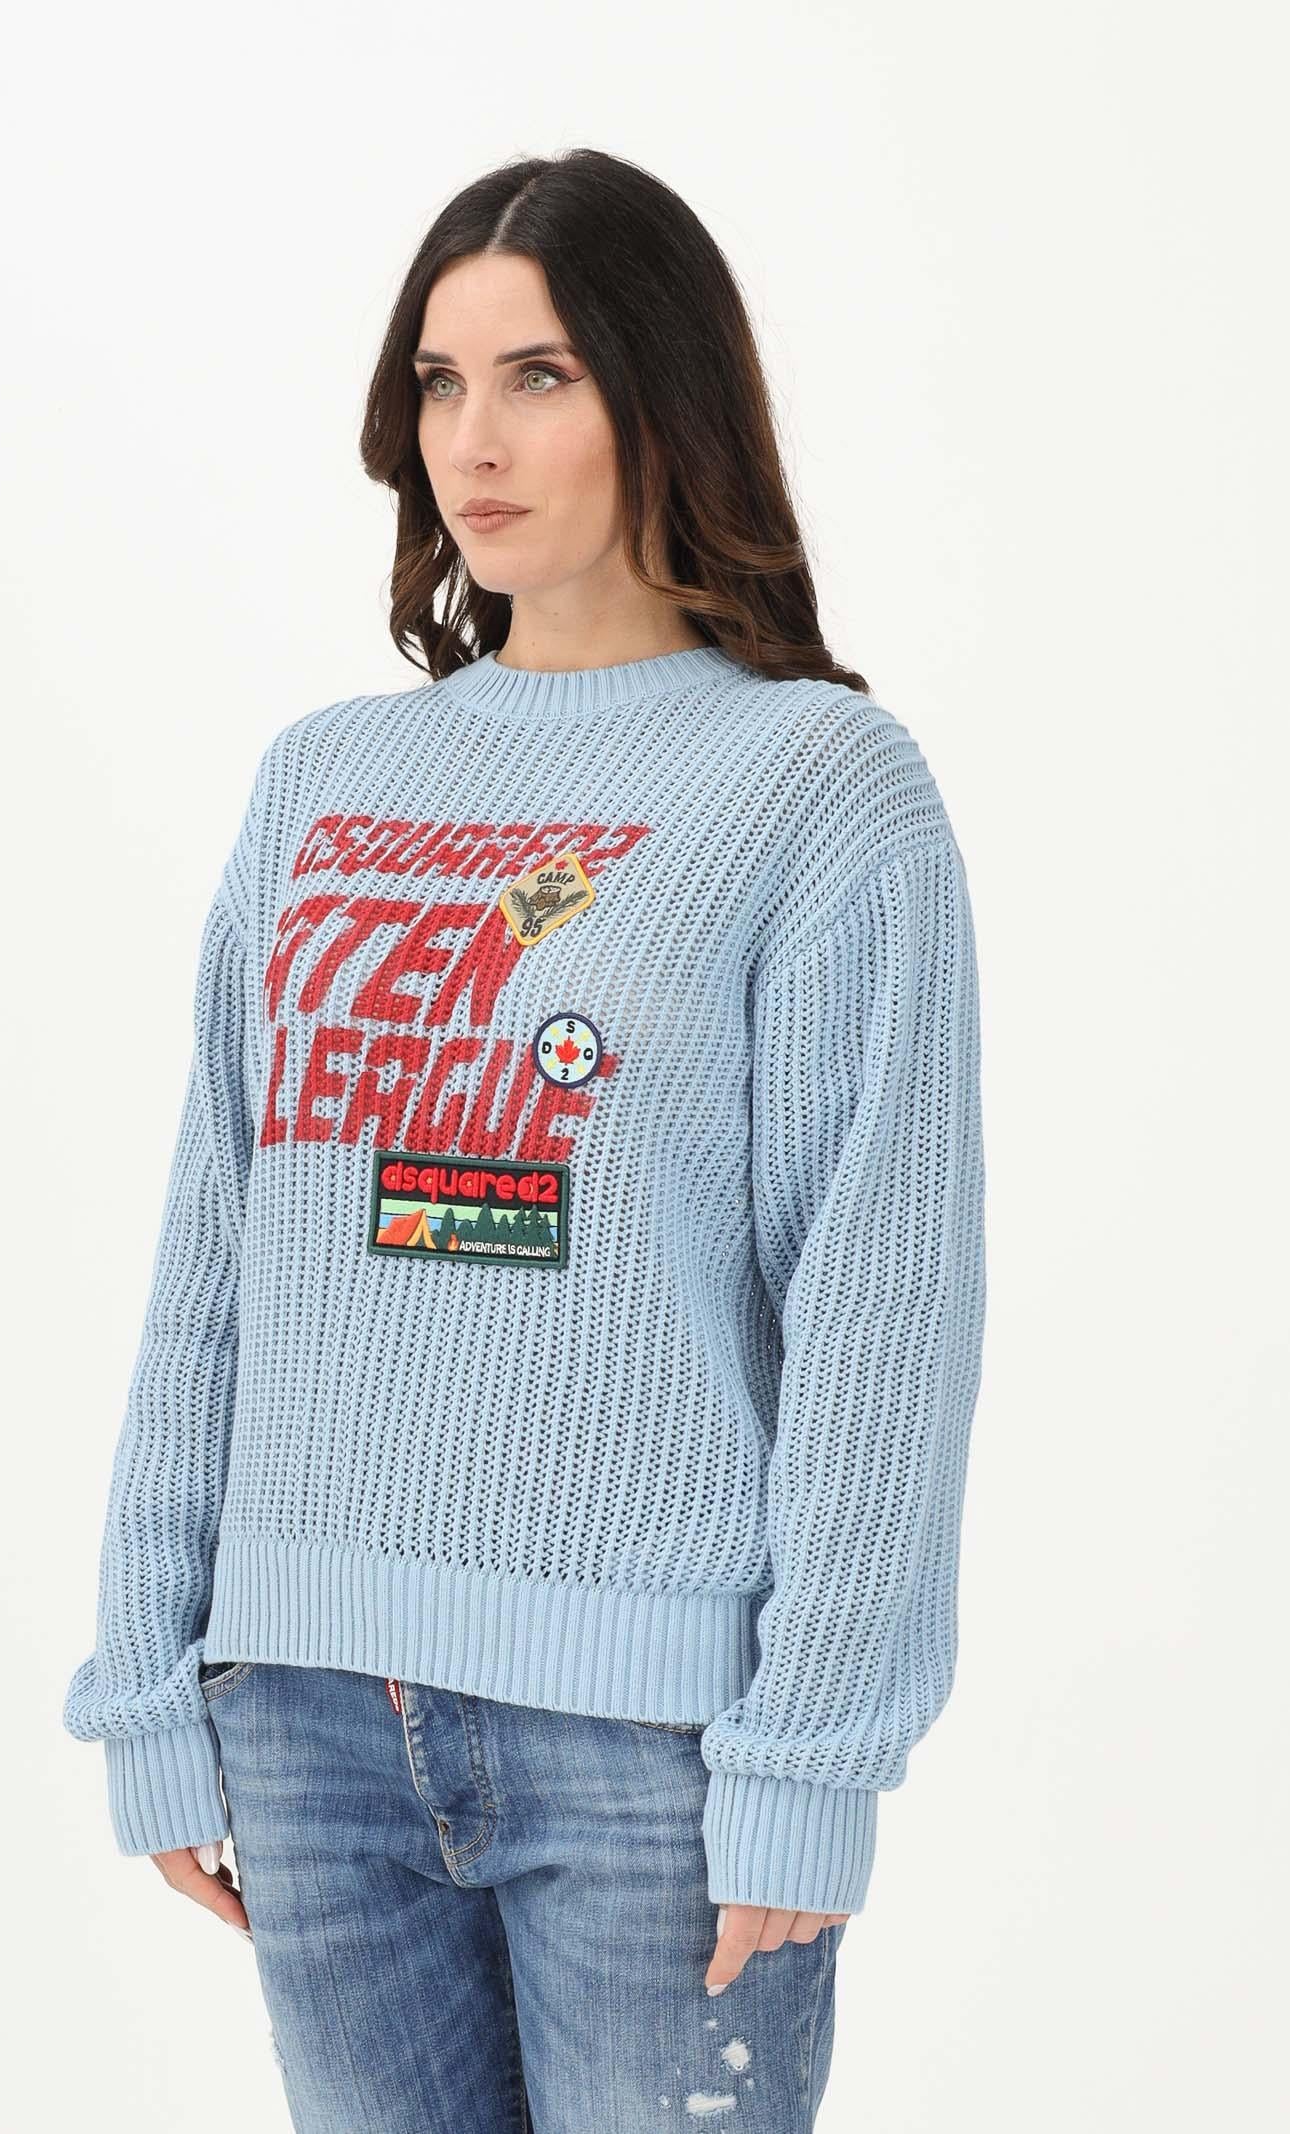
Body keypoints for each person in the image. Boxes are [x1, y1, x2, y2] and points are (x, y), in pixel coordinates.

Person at [62, 145, 987, 2132]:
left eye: (538, 375)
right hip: (304, 1714)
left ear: (664, 392)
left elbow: (882, 1308)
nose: (470, 442)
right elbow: (220, 1243)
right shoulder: (323, 779)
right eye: (438, 382)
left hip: (651, 1746)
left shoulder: (817, 785)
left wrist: (814, 1751)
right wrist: (146, 1669)